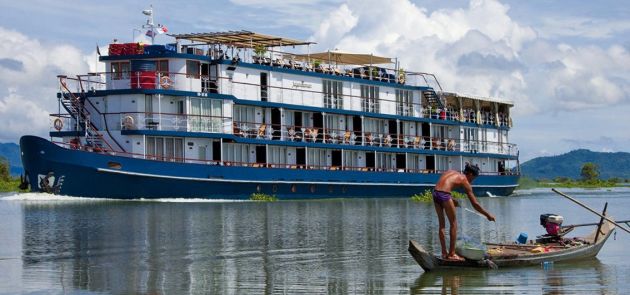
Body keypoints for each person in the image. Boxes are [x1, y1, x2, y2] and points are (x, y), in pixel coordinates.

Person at [432, 164, 495, 261]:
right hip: (444, 195)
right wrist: (488, 215)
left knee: (442, 225)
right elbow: (475, 204)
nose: (472, 180)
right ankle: (452, 254)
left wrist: (451, 199)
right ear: (470, 174)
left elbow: (442, 187)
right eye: (473, 178)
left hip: (435, 193)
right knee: (453, 224)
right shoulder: (465, 181)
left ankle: (444, 253)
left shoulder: (451, 172)